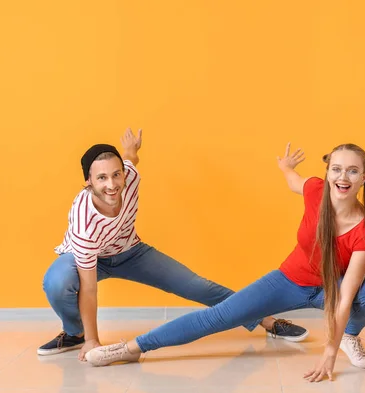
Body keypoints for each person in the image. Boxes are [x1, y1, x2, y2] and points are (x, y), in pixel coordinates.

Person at [85, 142, 365, 382]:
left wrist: (329, 352)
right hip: (288, 281)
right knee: (217, 317)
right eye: (336, 169)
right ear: (327, 173)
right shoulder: (315, 190)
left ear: (364, 177)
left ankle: (349, 337)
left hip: (331, 289)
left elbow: (346, 297)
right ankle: (131, 349)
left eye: (352, 171)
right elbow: (292, 181)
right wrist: (286, 167)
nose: (342, 177)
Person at [38, 129, 308, 360]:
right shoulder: (86, 220)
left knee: (196, 285)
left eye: (116, 175)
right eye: (101, 178)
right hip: (85, 260)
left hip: (130, 252)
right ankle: (76, 334)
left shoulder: (130, 178)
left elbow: (131, 160)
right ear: (88, 182)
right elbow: (88, 289)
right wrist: (93, 341)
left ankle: (266, 320)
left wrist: (131, 150)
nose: (112, 185)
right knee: (57, 282)